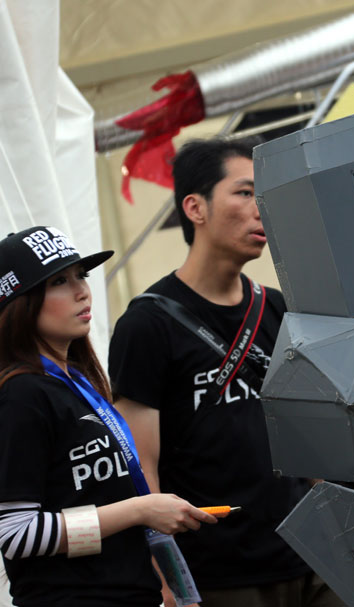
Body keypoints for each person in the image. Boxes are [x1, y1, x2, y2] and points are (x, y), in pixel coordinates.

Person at [109, 139, 340, 607]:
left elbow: (310, 435)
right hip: (220, 573)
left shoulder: (274, 307)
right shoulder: (147, 324)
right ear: (195, 207)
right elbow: (140, 466)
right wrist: (163, 576)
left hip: (311, 556)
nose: (262, 210)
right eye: (245, 193)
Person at [0, 226, 216, 607]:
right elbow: (18, 535)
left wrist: (175, 588)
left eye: (81, 275)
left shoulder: (75, 381)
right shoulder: (22, 394)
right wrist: (140, 510)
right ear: (18, 301)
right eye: (58, 281)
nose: (82, 290)